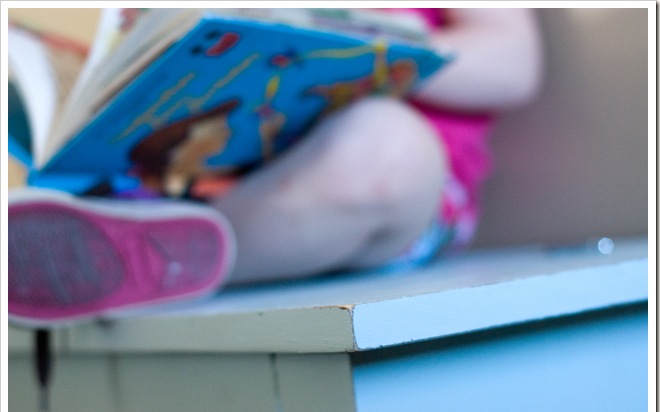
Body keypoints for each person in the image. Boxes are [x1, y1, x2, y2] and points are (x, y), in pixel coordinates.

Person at [8, 8, 544, 327]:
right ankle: (134, 234)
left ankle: (161, 258)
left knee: (387, 149)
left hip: (398, 192)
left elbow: (516, 64)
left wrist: (392, 47)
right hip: (222, 172)